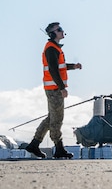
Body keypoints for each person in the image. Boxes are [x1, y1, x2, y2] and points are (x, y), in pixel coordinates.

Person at [26, 22, 82, 159]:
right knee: (57, 119)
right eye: (59, 30)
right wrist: (62, 88)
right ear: (52, 34)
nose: (62, 31)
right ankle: (59, 148)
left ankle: (34, 144)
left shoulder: (55, 48)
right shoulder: (51, 49)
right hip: (55, 89)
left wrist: (73, 66)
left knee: (52, 118)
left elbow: (59, 66)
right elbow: (53, 69)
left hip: (52, 87)